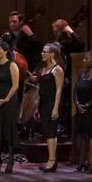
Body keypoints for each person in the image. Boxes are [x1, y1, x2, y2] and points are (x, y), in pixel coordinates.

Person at [0, 40, 21, 173]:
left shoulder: (12, 65)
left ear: (5, 51)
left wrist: (6, 99)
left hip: (8, 101)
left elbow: (15, 85)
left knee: (8, 127)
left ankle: (10, 160)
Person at [36, 42, 65, 173]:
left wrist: (55, 108)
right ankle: (50, 159)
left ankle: (52, 161)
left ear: (52, 54)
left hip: (52, 103)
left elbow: (59, 90)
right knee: (47, 132)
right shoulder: (43, 69)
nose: (42, 53)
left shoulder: (57, 69)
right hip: (43, 103)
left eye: (45, 51)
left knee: (51, 131)